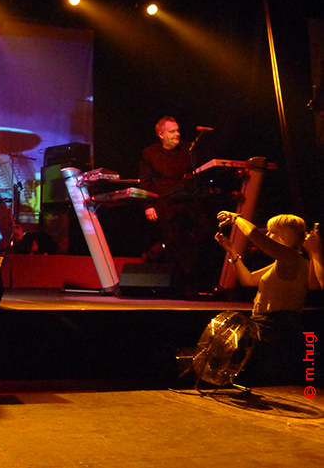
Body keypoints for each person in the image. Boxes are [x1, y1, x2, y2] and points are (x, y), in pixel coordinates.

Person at [215, 212, 322, 383]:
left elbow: (254, 235)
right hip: (269, 326)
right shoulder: (287, 261)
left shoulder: (290, 259)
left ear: (286, 236)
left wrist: (236, 218)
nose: (269, 236)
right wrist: (232, 252)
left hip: (273, 327)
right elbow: (249, 280)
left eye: (273, 232)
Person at [138, 116, 208, 293]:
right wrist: (148, 205)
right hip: (166, 205)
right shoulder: (150, 153)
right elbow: (145, 182)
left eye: (177, 130)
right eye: (172, 131)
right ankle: (176, 286)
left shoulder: (188, 149)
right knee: (173, 244)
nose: (177, 134)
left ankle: (192, 284)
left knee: (196, 241)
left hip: (189, 205)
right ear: (161, 135)